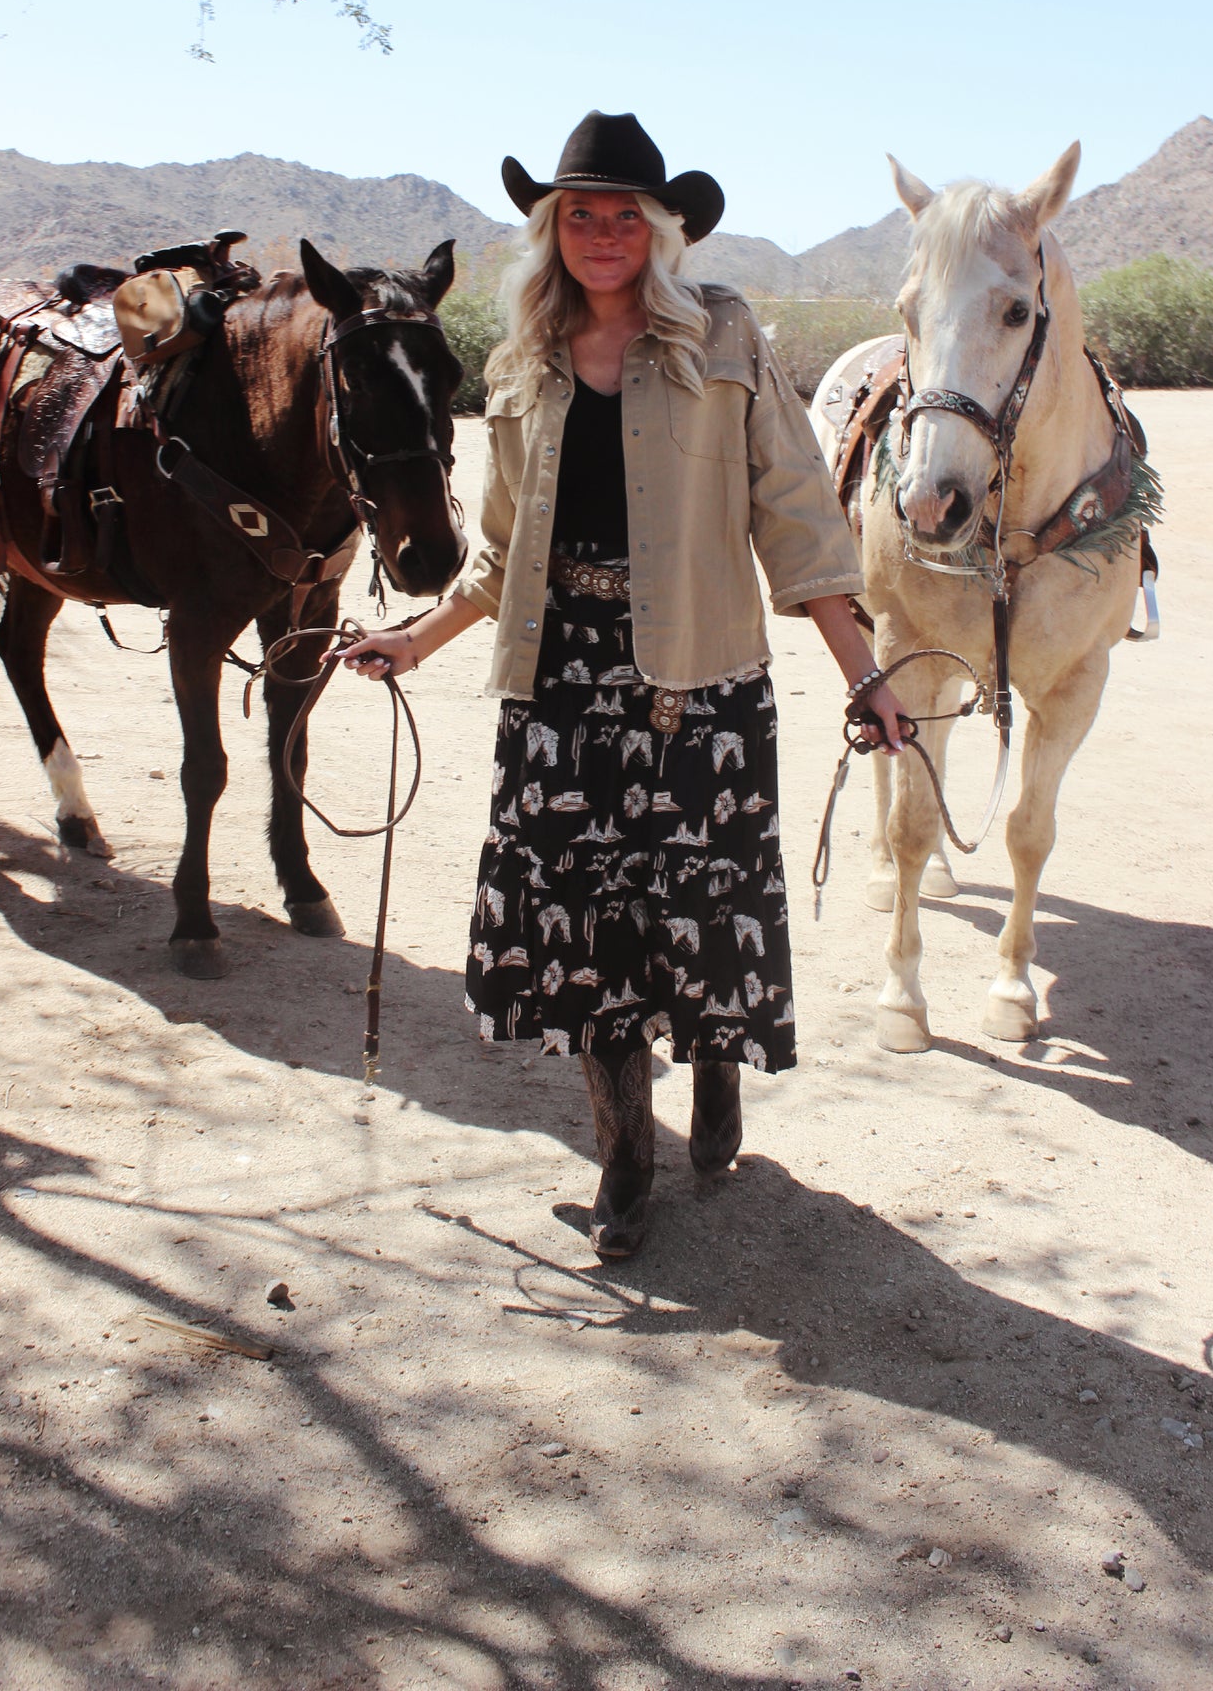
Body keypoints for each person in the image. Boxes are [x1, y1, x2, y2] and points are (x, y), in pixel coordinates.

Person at [340, 111, 905, 1258]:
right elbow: (503, 553)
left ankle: (712, 1073)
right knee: (585, 934)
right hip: (558, 694)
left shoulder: (724, 336)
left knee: (699, 921)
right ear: (552, 232)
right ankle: (621, 1163)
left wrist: (866, 673)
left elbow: (794, 512)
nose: (602, 235)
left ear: (660, 230)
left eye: (623, 216)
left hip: (700, 686)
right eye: (579, 215)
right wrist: (415, 640)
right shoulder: (520, 365)